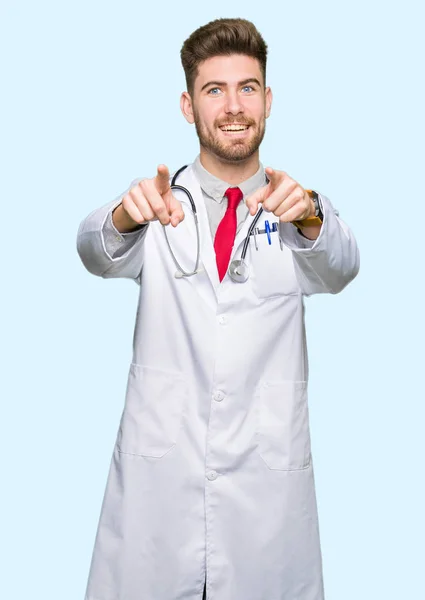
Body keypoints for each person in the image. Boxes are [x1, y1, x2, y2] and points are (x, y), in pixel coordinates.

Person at [77, 17, 359, 600]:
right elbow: (93, 251)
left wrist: (308, 213)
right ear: (188, 105)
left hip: (264, 506)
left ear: (269, 99)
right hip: (160, 500)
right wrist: (126, 214)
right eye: (215, 90)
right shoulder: (156, 207)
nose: (234, 107)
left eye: (247, 88)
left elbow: (341, 266)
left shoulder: (295, 209)